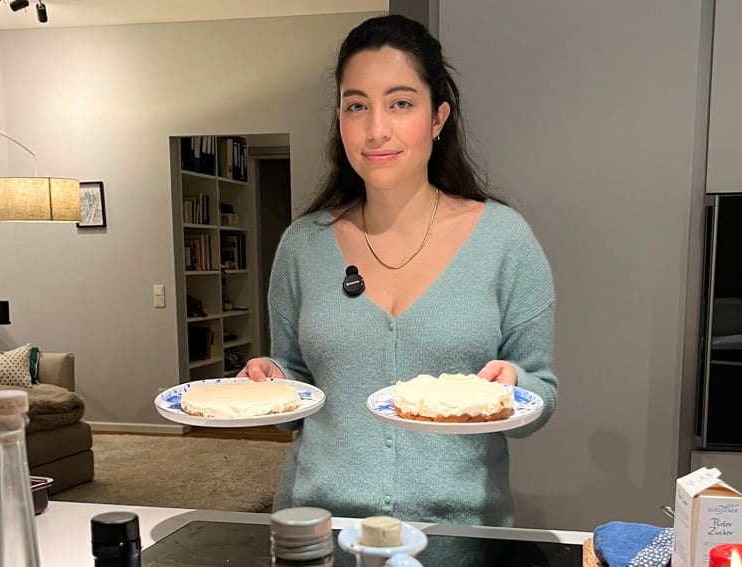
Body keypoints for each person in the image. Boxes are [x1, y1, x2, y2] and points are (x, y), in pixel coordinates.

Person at [239, 13, 557, 535]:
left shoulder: (505, 240)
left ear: (438, 118)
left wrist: (514, 386)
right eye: (356, 106)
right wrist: (270, 381)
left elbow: (541, 390)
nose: (376, 128)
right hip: (320, 531)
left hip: (458, 536)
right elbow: (295, 390)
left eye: (401, 103)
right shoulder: (303, 245)